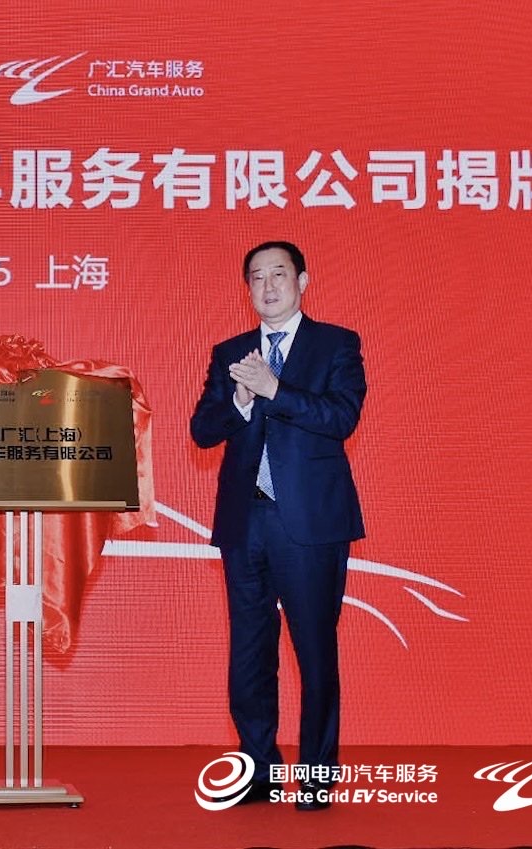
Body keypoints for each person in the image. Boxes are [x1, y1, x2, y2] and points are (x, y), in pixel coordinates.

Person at [189, 240, 366, 812]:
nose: (267, 287)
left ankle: (316, 779)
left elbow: (341, 417)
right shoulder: (231, 353)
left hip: (310, 524)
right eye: (257, 277)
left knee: (314, 651)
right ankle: (259, 772)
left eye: (278, 275)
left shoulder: (336, 344)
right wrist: (241, 402)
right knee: (250, 653)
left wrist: (276, 391)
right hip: (245, 522)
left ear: (302, 281)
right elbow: (202, 431)